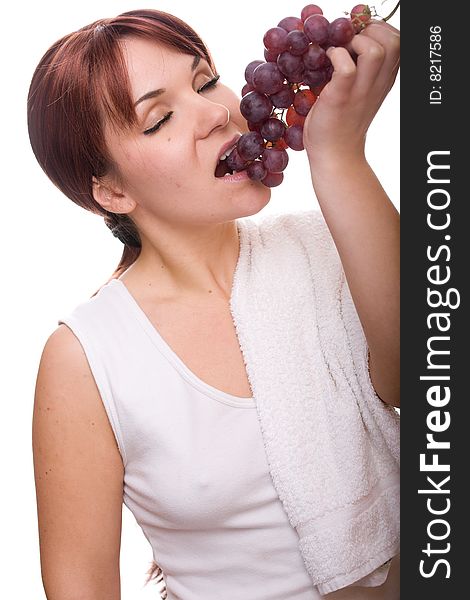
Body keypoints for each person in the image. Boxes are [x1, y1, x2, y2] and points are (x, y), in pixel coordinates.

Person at [29, 8, 400, 600]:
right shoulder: (86, 357)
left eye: (205, 82)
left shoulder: (330, 246)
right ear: (112, 191)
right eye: (159, 119)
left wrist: (340, 154)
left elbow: (430, 379)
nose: (217, 113)